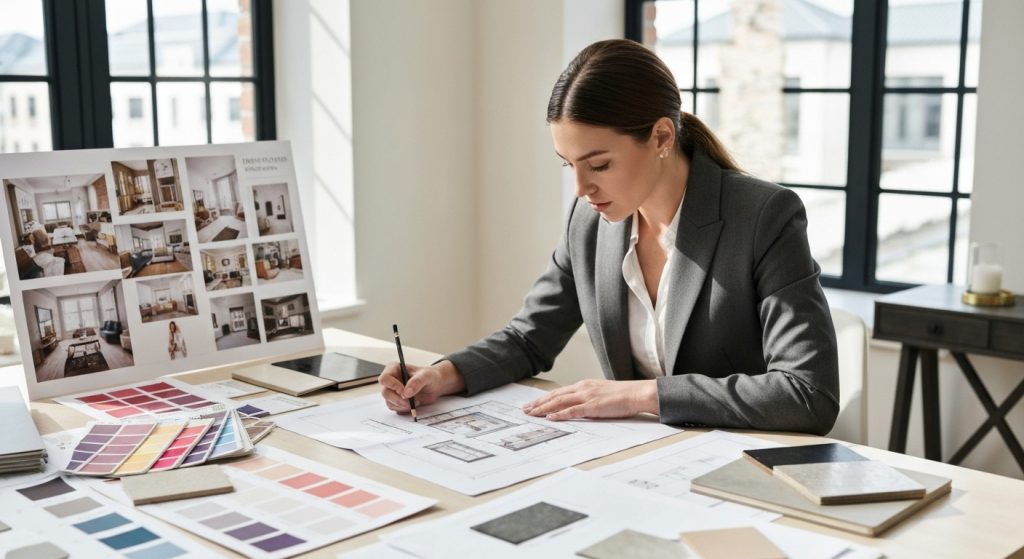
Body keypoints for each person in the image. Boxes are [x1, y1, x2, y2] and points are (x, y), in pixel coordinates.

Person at [380, 39, 839, 435]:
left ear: (661, 136)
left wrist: (642, 395)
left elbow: (808, 393)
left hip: (737, 463)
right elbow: (529, 338)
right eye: (568, 165)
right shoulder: (589, 221)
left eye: (599, 165)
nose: (581, 189)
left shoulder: (762, 216)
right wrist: (444, 374)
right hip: (636, 462)